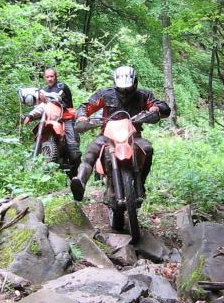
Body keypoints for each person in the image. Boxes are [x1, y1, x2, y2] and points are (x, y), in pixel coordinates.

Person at [69, 65, 169, 201]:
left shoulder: (144, 95)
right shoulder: (104, 94)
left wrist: (156, 108)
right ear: (116, 84)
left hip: (133, 136)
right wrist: (82, 116)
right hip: (107, 135)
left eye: (128, 88)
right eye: (122, 88)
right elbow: (86, 106)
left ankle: (142, 183)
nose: (125, 92)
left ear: (135, 83)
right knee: (91, 152)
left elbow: (164, 108)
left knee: (147, 149)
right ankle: (80, 182)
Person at [23, 67, 79, 169]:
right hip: (50, 118)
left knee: (72, 146)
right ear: (44, 78)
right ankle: (34, 163)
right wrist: (30, 115)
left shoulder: (61, 86)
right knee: (36, 138)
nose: (49, 79)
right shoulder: (44, 90)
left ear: (55, 76)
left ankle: (76, 169)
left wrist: (43, 96)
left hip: (66, 117)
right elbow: (41, 106)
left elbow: (56, 97)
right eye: (47, 77)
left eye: (51, 76)